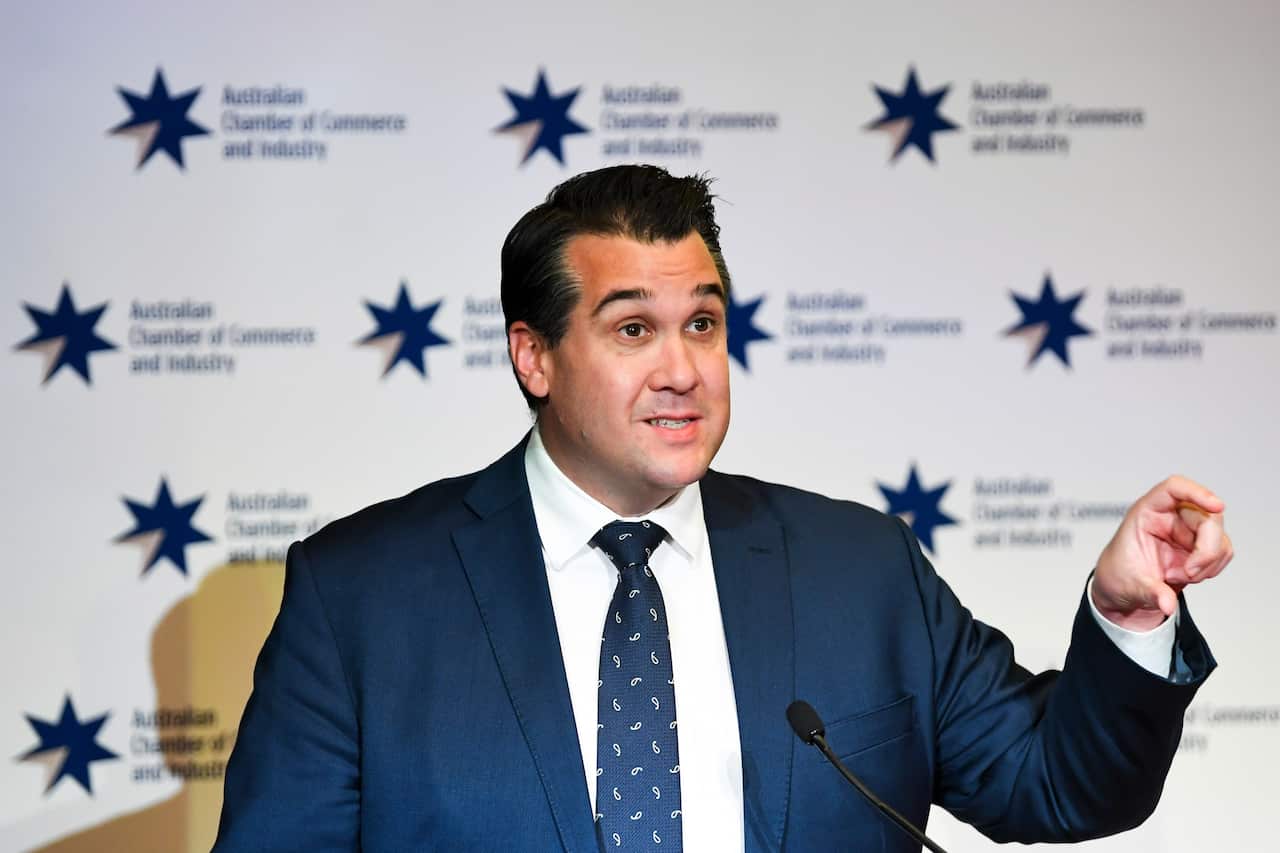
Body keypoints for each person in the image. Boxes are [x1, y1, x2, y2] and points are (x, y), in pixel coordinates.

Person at [214, 165, 1231, 852]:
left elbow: (1059, 784)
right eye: (630, 329)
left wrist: (1127, 615)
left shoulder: (858, 568)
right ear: (534, 355)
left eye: (701, 323)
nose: (681, 370)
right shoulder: (360, 594)